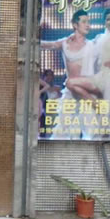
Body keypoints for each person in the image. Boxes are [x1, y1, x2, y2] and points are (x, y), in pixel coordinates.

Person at [41, 10, 96, 138]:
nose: (88, 25)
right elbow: (47, 45)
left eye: (88, 22)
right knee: (63, 127)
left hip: (86, 92)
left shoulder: (92, 45)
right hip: (70, 92)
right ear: (75, 25)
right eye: (84, 22)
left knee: (90, 129)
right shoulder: (65, 43)